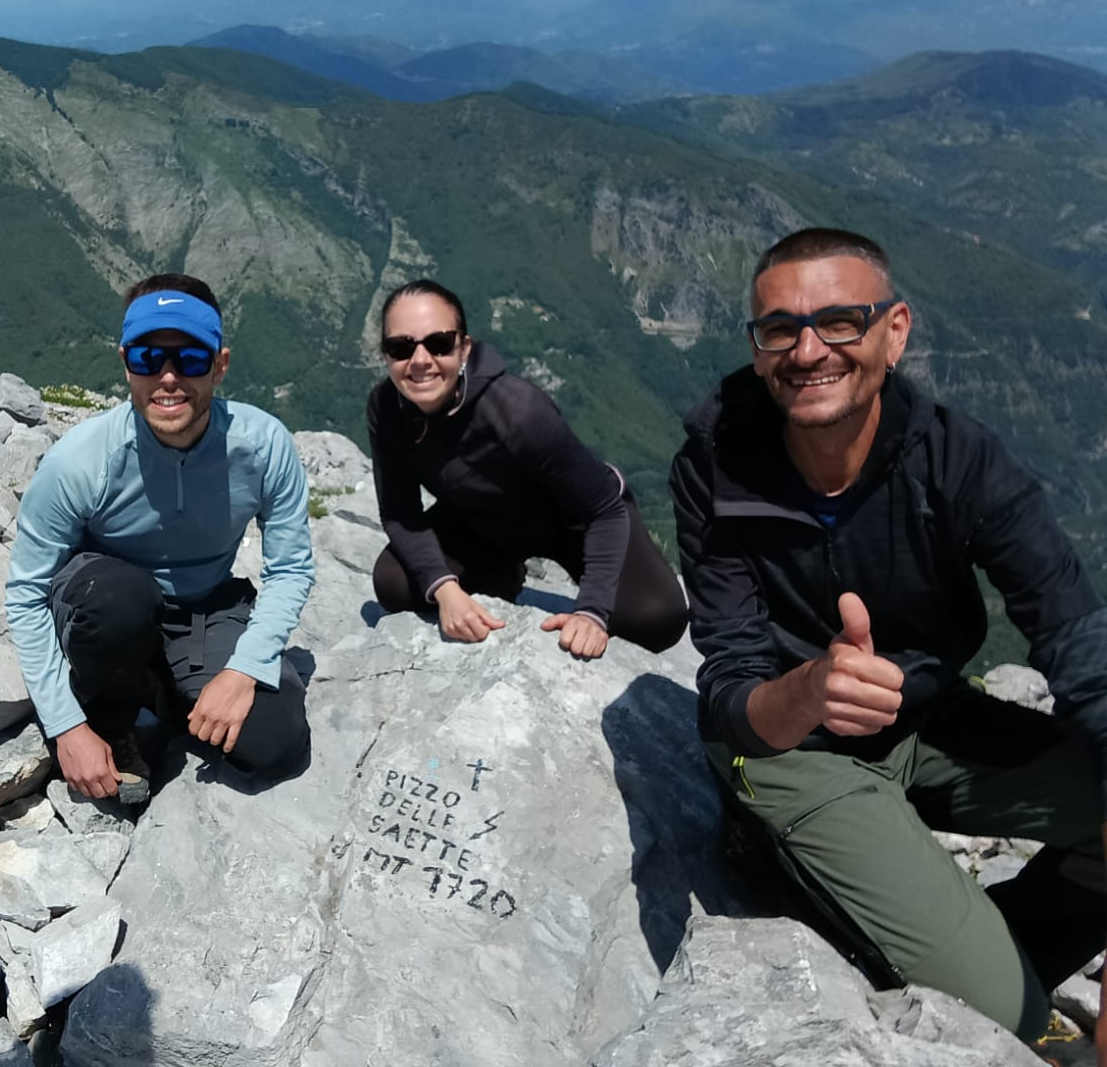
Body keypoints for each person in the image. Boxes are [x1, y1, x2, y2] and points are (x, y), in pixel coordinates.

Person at [670, 227, 1107, 1051]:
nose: (808, 352)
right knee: (1011, 1023)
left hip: (929, 721)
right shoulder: (714, 465)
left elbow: (1074, 630)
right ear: (757, 348)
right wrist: (808, 690)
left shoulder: (959, 460)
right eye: (780, 330)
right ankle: (971, 974)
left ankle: (983, 954)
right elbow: (728, 691)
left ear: (894, 331)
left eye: (840, 322)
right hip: (791, 749)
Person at [6, 274, 314, 802]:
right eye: (148, 358)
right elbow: (25, 594)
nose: (168, 378)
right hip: (106, 601)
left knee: (276, 741)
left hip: (205, 609)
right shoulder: (80, 460)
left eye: (190, 359)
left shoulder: (263, 447)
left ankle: (164, 693)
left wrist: (245, 668)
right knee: (119, 598)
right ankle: (110, 720)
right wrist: (66, 726)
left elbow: (289, 568)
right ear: (126, 362)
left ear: (220, 364)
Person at [368, 279, 686, 658]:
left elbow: (603, 508)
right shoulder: (386, 408)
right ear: (386, 355)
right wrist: (445, 588)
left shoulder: (516, 410)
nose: (420, 360)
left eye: (438, 343)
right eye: (401, 347)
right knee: (394, 583)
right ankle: (502, 575)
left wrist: (592, 611)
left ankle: (502, 574)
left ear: (464, 348)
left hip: (574, 521)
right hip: (481, 522)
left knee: (657, 619)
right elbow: (400, 512)